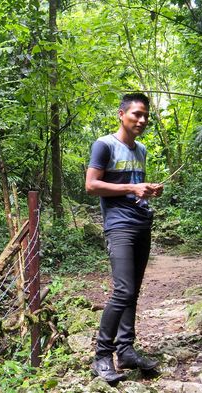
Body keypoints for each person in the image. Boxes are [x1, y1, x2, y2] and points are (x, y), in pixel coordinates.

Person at [85, 92, 164, 383]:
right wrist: (133, 190)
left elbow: (133, 185)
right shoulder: (104, 145)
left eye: (145, 116)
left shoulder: (141, 149)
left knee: (133, 291)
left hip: (142, 222)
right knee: (122, 291)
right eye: (136, 114)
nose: (142, 120)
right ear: (121, 114)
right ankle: (102, 356)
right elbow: (91, 186)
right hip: (119, 226)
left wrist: (147, 190)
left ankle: (126, 349)